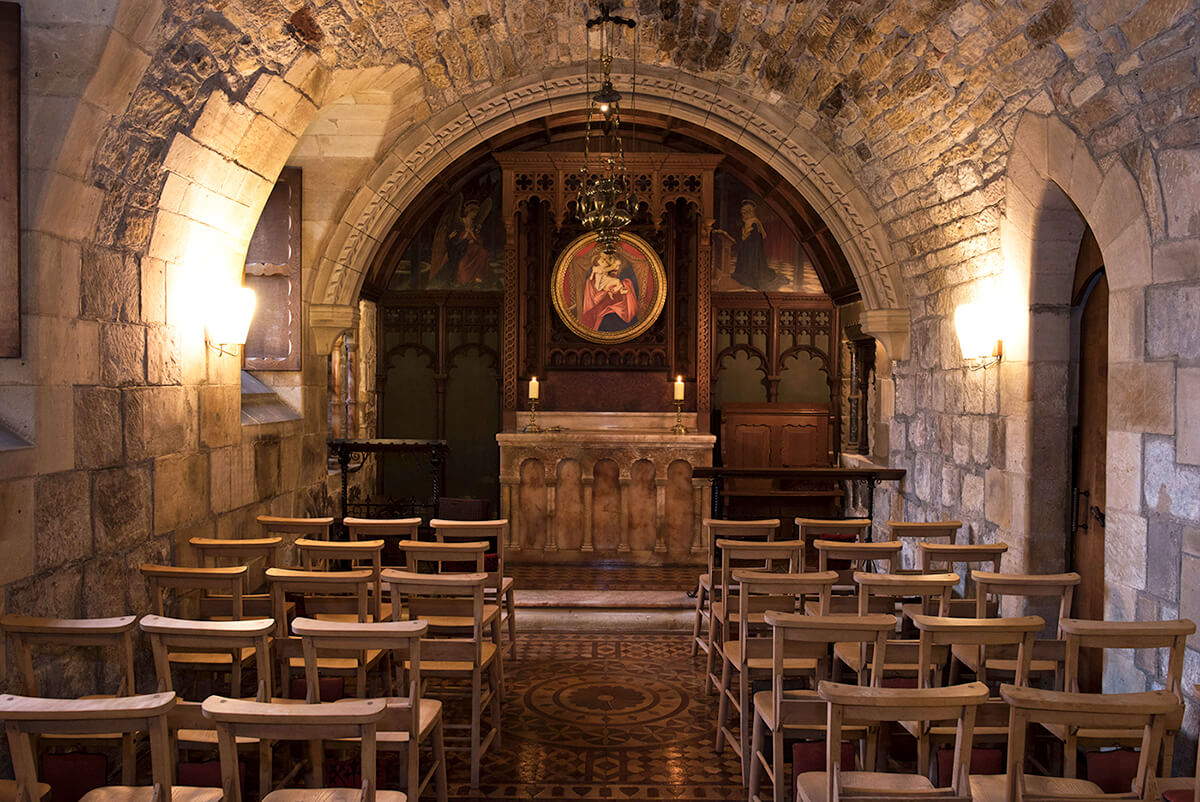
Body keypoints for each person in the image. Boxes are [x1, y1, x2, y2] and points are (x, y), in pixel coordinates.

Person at [579, 249, 639, 332]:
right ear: (597, 263)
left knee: (619, 282)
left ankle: (618, 290)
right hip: (602, 290)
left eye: (604, 260)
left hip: (612, 297)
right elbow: (598, 281)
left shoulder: (616, 274)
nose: (604, 261)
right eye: (602, 260)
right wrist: (614, 266)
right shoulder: (597, 269)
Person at [730, 199, 783, 291]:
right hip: (747, 247)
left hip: (753, 248)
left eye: (745, 212)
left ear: (749, 212)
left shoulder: (754, 222)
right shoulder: (747, 222)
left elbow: (756, 238)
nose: (743, 214)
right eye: (743, 212)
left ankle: (751, 276)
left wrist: (749, 245)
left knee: (753, 263)